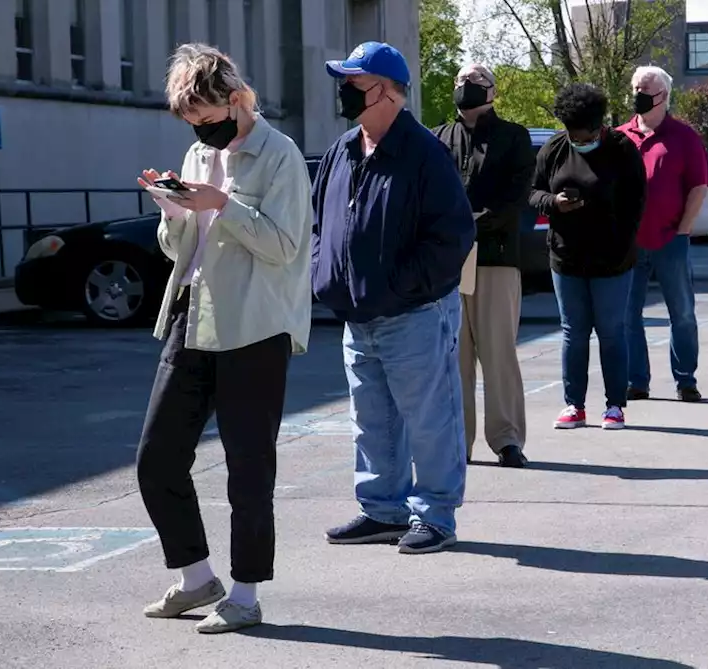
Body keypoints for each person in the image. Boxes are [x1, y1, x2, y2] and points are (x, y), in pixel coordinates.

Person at [135, 43, 313, 634]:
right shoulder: (194, 152)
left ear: (237, 100)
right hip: (193, 315)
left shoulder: (279, 153)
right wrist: (173, 211)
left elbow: (286, 247)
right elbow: (178, 249)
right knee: (157, 457)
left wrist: (221, 205)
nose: (203, 134)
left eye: (209, 121)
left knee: (248, 467)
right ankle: (195, 578)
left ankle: (244, 594)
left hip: (254, 328)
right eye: (194, 125)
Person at [312, 42, 475, 554]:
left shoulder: (425, 152)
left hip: (414, 314)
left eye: (353, 83)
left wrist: (402, 286)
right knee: (372, 420)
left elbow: (452, 237)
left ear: (385, 90)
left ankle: (437, 516)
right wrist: (326, 275)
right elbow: (321, 223)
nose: (343, 92)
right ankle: (382, 509)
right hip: (358, 316)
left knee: (430, 420)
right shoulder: (342, 150)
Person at [432, 63, 535, 468]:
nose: (463, 87)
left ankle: (507, 439)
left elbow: (514, 198)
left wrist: (468, 222)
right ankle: (459, 441)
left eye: (473, 82)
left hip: (495, 256)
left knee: (498, 353)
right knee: (454, 358)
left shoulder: (513, 137)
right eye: (458, 81)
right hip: (449, 263)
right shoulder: (438, 138)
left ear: (491, 91)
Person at [531, 82, 646, 430]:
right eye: (574, 137)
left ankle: (614, 406)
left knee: (611, 332)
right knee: (573, 332)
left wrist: (620, 245)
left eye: (585, 137)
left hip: (612, 260)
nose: (579, 142)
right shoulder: (553, 149)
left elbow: (635, 206)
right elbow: (532, 193)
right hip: (566, 259)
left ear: (599, 127)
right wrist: (554, 203)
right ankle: (574, 405)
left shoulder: (623, 150)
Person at [618, 65, 708, 403]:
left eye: (644, 89)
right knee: (628, 314)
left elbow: (699, 186)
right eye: (635, 88)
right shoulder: (619, 136)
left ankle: (685, 379)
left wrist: (683, 230)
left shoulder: (684, 137)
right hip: (629, 243)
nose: (637, 95)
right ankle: (636, 380)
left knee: (681, 312)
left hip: (670, 239)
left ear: (663, 97)